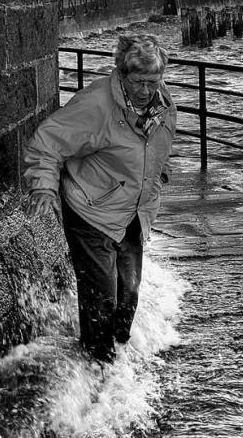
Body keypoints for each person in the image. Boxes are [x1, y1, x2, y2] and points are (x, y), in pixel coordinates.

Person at [23, 34, 176, 364]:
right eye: (139, 82)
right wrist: (44, 188)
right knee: (101, 304)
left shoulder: (163, 104)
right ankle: (97, 372)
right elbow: (46, 143)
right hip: (89, 211)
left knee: (128, 299)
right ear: (122, 74)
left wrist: (158, 172)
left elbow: (155, 147)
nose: (148, 90)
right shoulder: (96, 106)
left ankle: (118, 360)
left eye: (154, 81)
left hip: (133, 213)